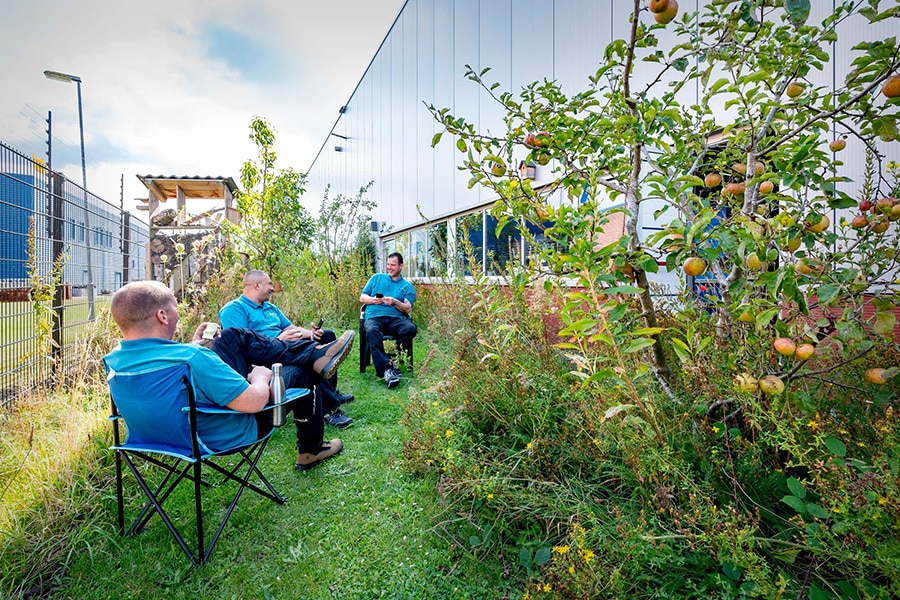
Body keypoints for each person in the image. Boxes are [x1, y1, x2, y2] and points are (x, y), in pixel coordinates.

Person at [104, 280, 355, 471]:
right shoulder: (193, 360)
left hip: (155, 437)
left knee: (233, 336)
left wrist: (194, 345)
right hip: (224, 433)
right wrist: (259, 378)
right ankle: (310, 449)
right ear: (162, 315)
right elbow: (254, 402)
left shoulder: (114, 361)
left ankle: (315, 356)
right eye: (174, 306)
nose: (177, 313)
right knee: (301, 373)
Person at [219, 270, 355, 430]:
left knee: (326, 336)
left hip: (286, 347)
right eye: (269, 283)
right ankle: (328, 408)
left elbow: (291, 328)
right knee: (309, 359)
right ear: (256, 285)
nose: (272, 287)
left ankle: (329, 390)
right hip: (265, 359)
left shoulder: (271, 308)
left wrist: (311, 334)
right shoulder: (234, 309)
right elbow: (241, 345)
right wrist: (278, 341)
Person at [359, 252, 417, 389]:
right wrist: (374, 300)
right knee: (372, 330)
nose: (389, 267)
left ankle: (389, 363)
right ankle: (387, 368)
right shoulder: (376, 278)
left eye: (393, 265)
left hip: (395, 319)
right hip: (374, 317)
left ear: (401, 266)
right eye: (388, 264)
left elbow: (407, 309)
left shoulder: (407, 286)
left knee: (410, 329)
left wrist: (395, 302)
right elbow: (362, 297)